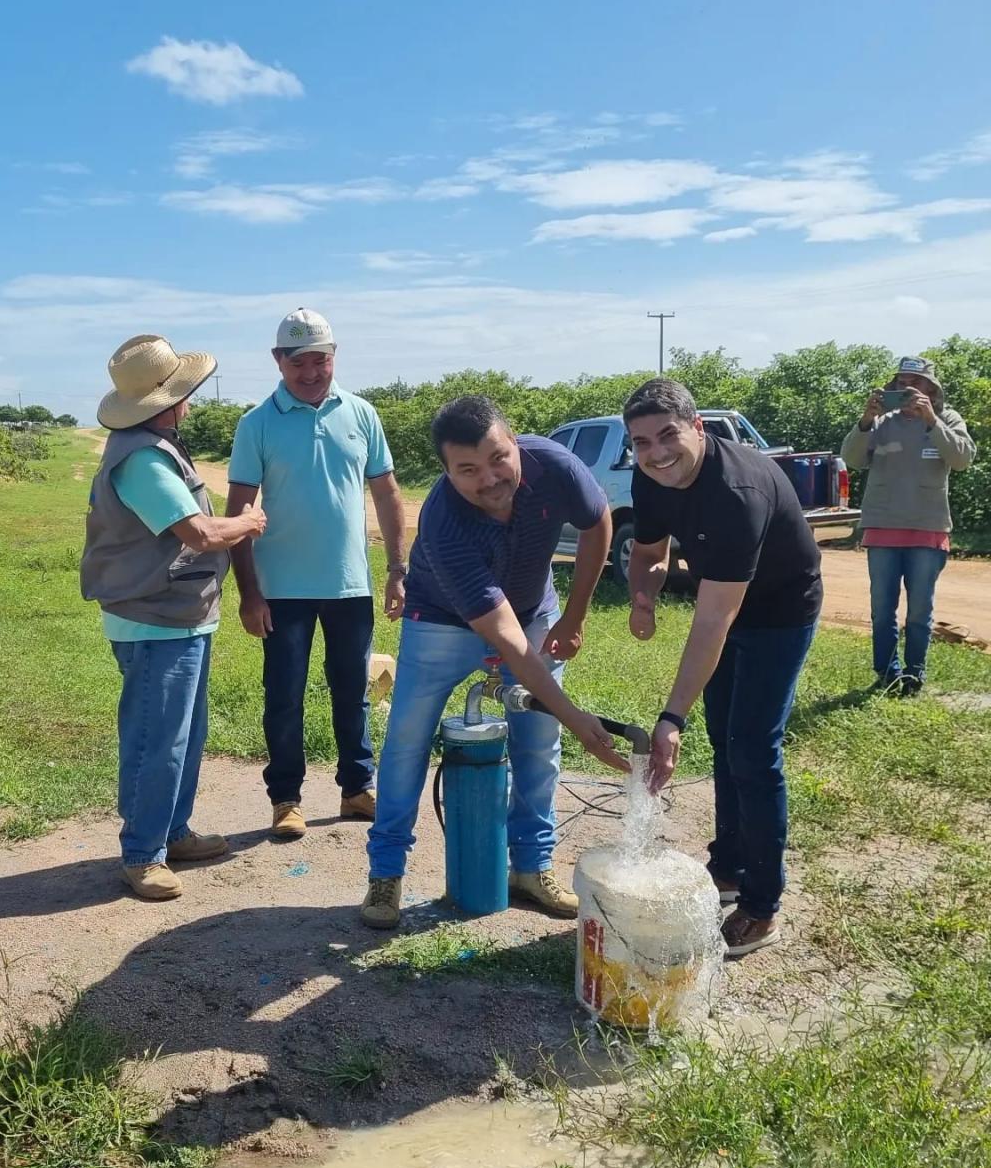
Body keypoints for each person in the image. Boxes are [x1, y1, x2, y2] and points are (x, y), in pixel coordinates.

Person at [361, 395, 627, 929]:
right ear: (446, 471)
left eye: (499, 458)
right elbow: (505, 639)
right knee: (408, 741)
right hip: (439, 621)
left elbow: (598, 524)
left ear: (514, 441)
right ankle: (386, 875)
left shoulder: (555, 464)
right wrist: (579, 721)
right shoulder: (443, 523)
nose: (489, 478)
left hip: (534, 609)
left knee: (537, 741)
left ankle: (530, 866)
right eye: (468, 470)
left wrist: (573, 617)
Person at [624, 379, 822, 959]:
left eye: (668, 435)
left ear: (697, 428)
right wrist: (642, 596)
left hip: (780, 611)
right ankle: (730, 869)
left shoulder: (737, 492)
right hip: (728, 604)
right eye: (641, 442)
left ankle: (762, 906)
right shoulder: (650, 474)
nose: (657, 452)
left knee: (753, 749)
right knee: (723, 738)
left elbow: (713, 622)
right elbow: (649, 550)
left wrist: (668, 717)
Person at [82, 335, 266, 901]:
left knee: (182, 735)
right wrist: (249, 522)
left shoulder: (154, 445)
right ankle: (142, 853)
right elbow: (200, 532)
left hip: (177, 615)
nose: (191, 401)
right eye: (185, 393)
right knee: (155, 739)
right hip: (155, 622)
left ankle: (173, 833)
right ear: (167, 401)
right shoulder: (141, 459)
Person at [226, 309, 406, 839]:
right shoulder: (256, 423)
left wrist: (398, 569)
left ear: (335, 357)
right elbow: (238, 512)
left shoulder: (362, 413)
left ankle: (356, 787)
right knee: (284, 695)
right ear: (278, 361)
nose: (310, 372)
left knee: (353, 690)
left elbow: (388, 493)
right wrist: (249, 594)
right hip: (281, 590)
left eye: (320, 360)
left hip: (349, 584)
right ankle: (286, 799)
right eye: (298, 361)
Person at [841, 355, 976, 696]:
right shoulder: (882, 422)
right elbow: (853, 460)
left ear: (931, 389)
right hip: (883, 526)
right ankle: (888, 673)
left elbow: (961, 459)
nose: (908, 389)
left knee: (920, 610)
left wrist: (931, 420)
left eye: (915, 383)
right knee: (881, 609)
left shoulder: (947, 419)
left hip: (927, 528)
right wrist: (865, 421)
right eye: (902, 383)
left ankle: (914, 675)